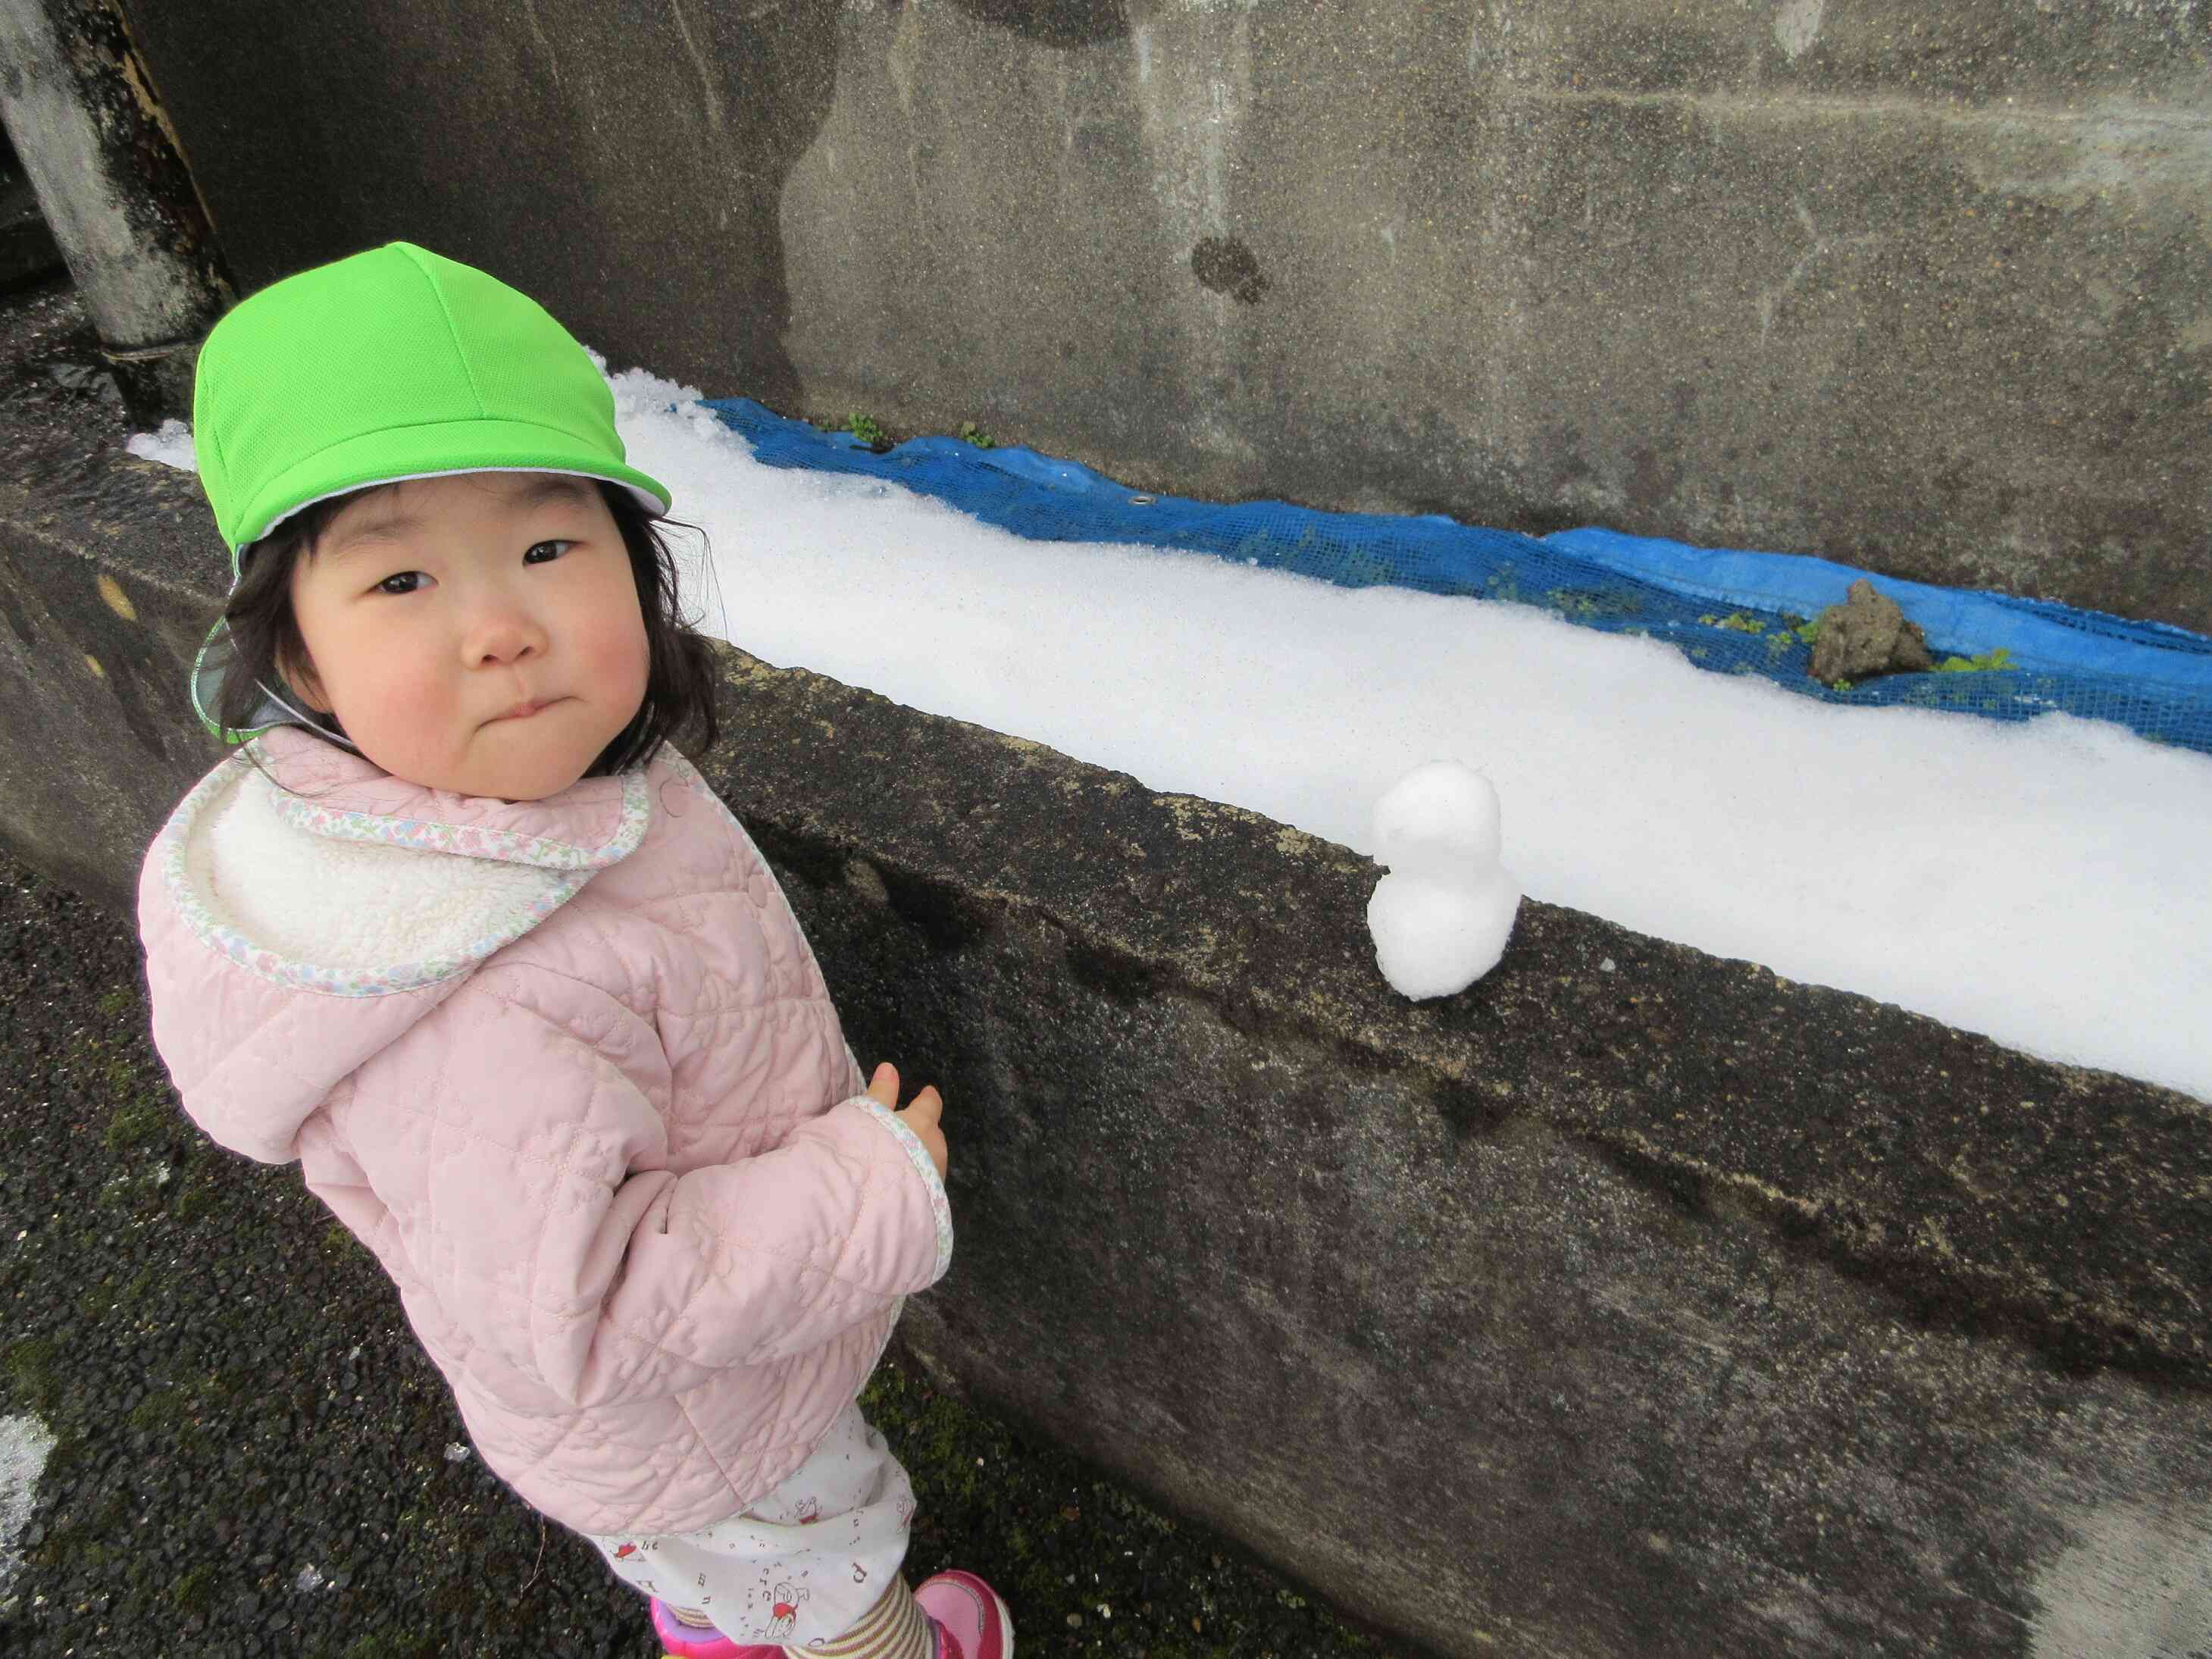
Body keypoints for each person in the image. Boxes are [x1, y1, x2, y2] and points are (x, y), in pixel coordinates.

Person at [136, 241, 1012, 1659]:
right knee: (824, 1553)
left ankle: (721, 1631)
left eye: (549, 547)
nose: (502, 629)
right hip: (693, 1412)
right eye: (403, 579)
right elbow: (593, 1310)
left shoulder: (520, 799)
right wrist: (868, 1184)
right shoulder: (467, 998)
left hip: (671, 1414)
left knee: (724, 1566)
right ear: (295, 662)